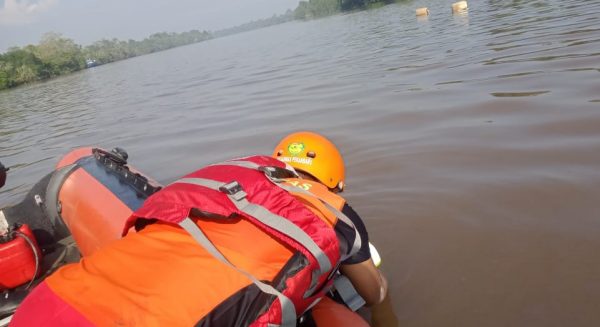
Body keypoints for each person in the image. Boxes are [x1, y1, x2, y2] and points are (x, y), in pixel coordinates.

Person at [11, 132, 396, 326]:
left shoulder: (229, 174)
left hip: (48, 303)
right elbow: (374, 292)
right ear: (334, 183)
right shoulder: (337, 213)